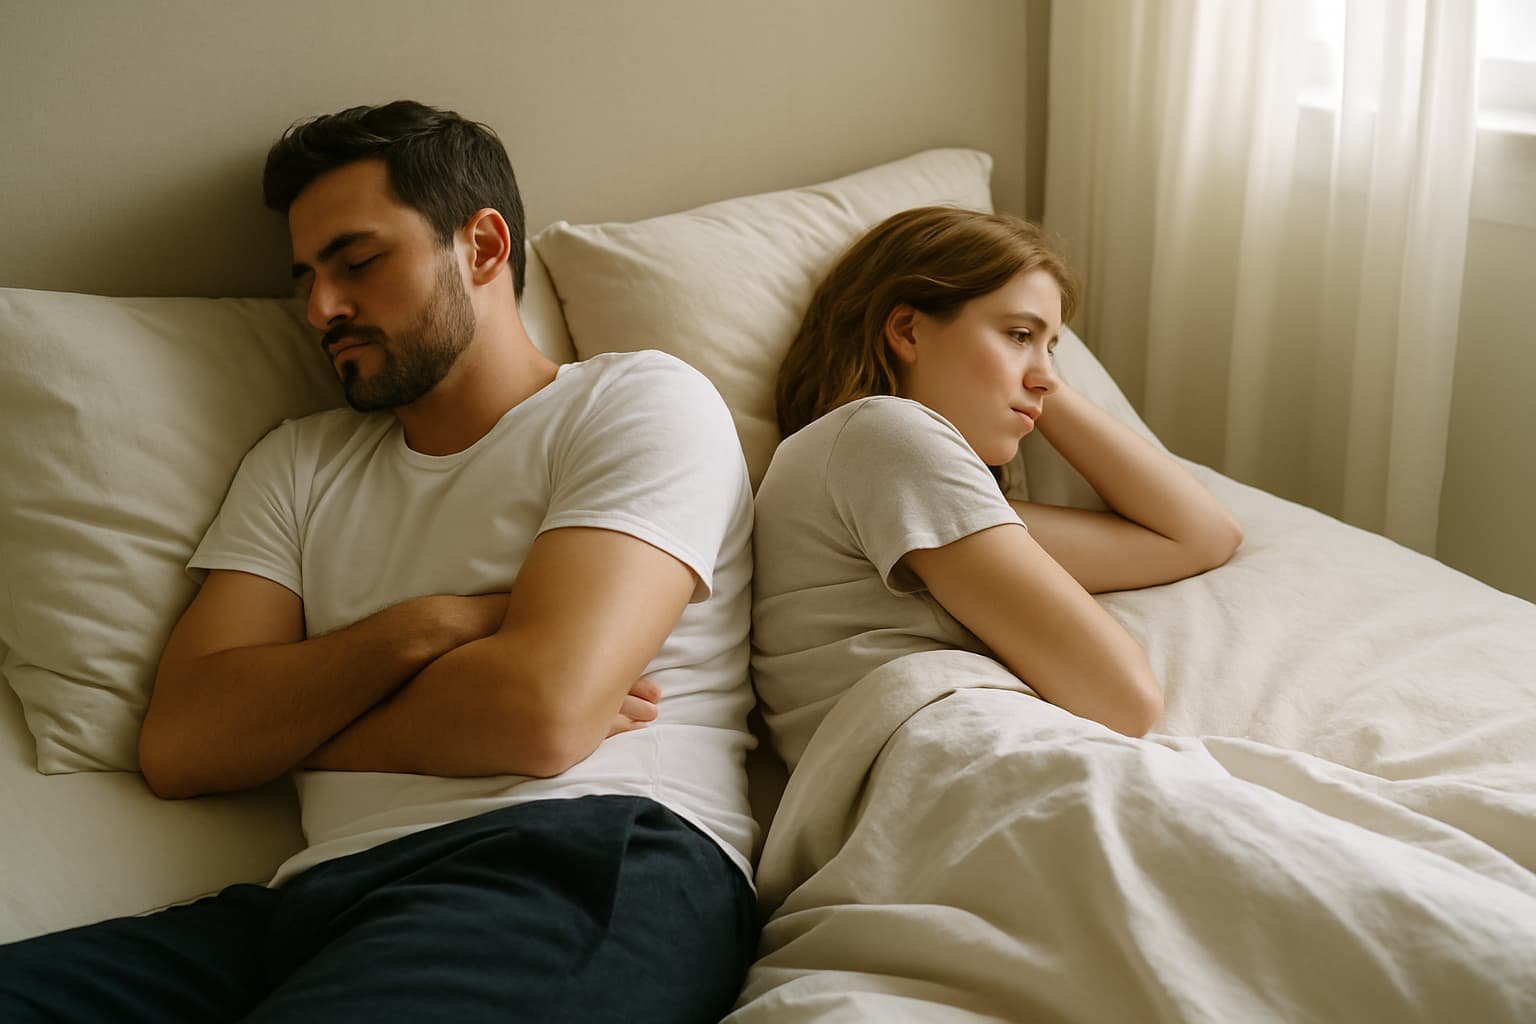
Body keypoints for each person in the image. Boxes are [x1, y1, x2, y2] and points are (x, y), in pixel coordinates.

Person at [0, 100, 758, 1023]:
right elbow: (183, 743)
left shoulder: (641, 402)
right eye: (307, 277)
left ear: (482, 246)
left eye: (358, 263)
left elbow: (540, 715)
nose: (322, 308)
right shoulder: (299, 462)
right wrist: (429, 627)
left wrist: (282, 734)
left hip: (579, 860)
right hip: (308, 902)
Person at [752, 205, 1243, 769]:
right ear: (907, 330)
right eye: (1017, 334)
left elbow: (1203, 536)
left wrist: (1031, 381)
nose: (1049, 375)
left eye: (1052, 347)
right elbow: (1123, 696)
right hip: (966, 763)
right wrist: (1024, 380)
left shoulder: (920, 508)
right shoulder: (883, 434)